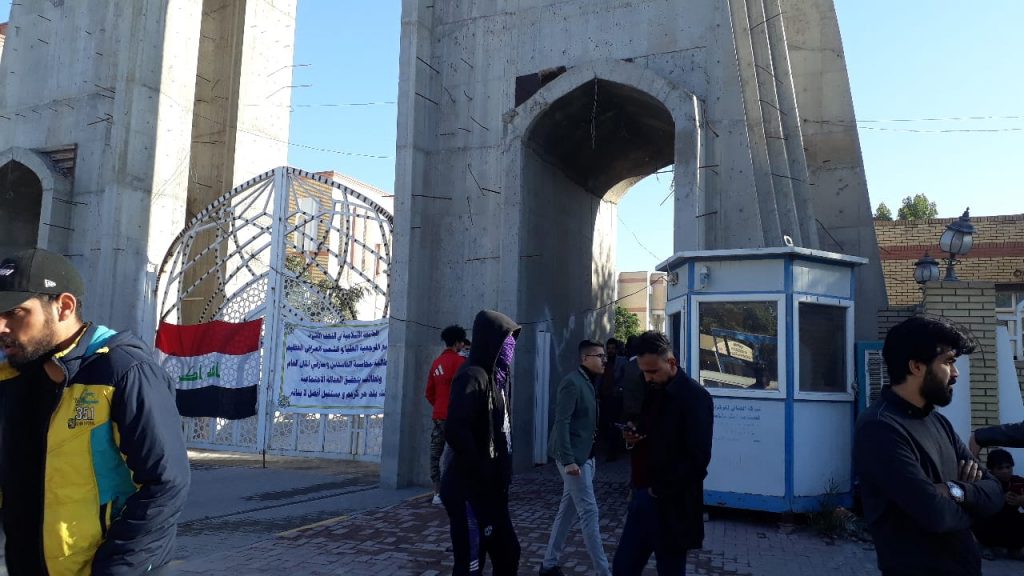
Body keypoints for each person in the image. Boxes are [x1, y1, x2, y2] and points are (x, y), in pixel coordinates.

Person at [0, 248, 191, 575]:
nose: (1, 327)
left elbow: (165, 484)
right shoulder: (13, 378)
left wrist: (116, 568)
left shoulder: (123, 372)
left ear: (64, 306)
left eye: (15, 312)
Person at [854, 316, 1003, 576]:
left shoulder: (939, 422)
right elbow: (935, 515)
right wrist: (975, 506)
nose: (955, 373)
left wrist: (954, 490)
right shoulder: (879, 427)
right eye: (948, 362)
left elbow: (995, 492)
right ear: (916, 366)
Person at [612, 331, 713, 576]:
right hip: (641, 498)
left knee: (670, 570)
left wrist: (658, 489)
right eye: (644, 372)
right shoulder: (654, 388)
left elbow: (698, 459)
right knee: (623, 568)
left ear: (671, 362)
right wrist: (633, 436)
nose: (648, 377)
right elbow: (648, 429)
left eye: (653, 371)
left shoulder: (696, 398)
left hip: (672, 506)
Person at [441, 309, 521, 575]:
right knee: (471, 562)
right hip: (469, 489)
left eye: (512, 342)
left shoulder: (497, 378)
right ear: (491, 340)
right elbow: (455, 429)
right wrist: (480, 468)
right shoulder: (473, 375)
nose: (510, 348)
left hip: (492, 491)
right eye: (506, 341)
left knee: (508, 553)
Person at [540, 340, 612, 576]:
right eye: (599, 356)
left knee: (567, 512)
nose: (604, 360)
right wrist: (569, 460)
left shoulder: (589, 382)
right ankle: (603, 571)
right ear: (584, 359)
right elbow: (562, 422)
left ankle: (548, 565)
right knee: (589, 512)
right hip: (573, 460)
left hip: (585, 457)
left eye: (604, 356)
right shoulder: (572, 382)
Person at [425, 324, 467, 504]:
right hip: (456, 418)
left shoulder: (436, 363)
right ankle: (457, 490)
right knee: (458, 455)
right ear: (457, 342)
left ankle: (437, 493)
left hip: (439, 417)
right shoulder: (461, 363)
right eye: (462, 342)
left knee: (435, 454)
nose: (463, 345)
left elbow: (429, 393)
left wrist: (439, 405)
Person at [971, 449, 1024, 559]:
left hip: (1010, 523)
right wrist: (1000, 499)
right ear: (991, 470)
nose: (1005, 471)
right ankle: (986, 546)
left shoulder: (1018, 482)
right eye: (1000, 468)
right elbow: (979, 509)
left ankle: (1014, 548)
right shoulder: (985, 482)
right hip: (991, 523)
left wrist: (1021, 500)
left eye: (1008, 467)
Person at [598, 337, 625, 461]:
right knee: (605, 424)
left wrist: (619, 389)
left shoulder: (622, 361)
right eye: (608, 348)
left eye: (613, 348)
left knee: (615, 425)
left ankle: (613, 452)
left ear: (616, 349)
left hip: (616, 398)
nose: (610, 351)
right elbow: (599, 378)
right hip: (604, 397)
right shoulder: (603, 360)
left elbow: (624, 378)